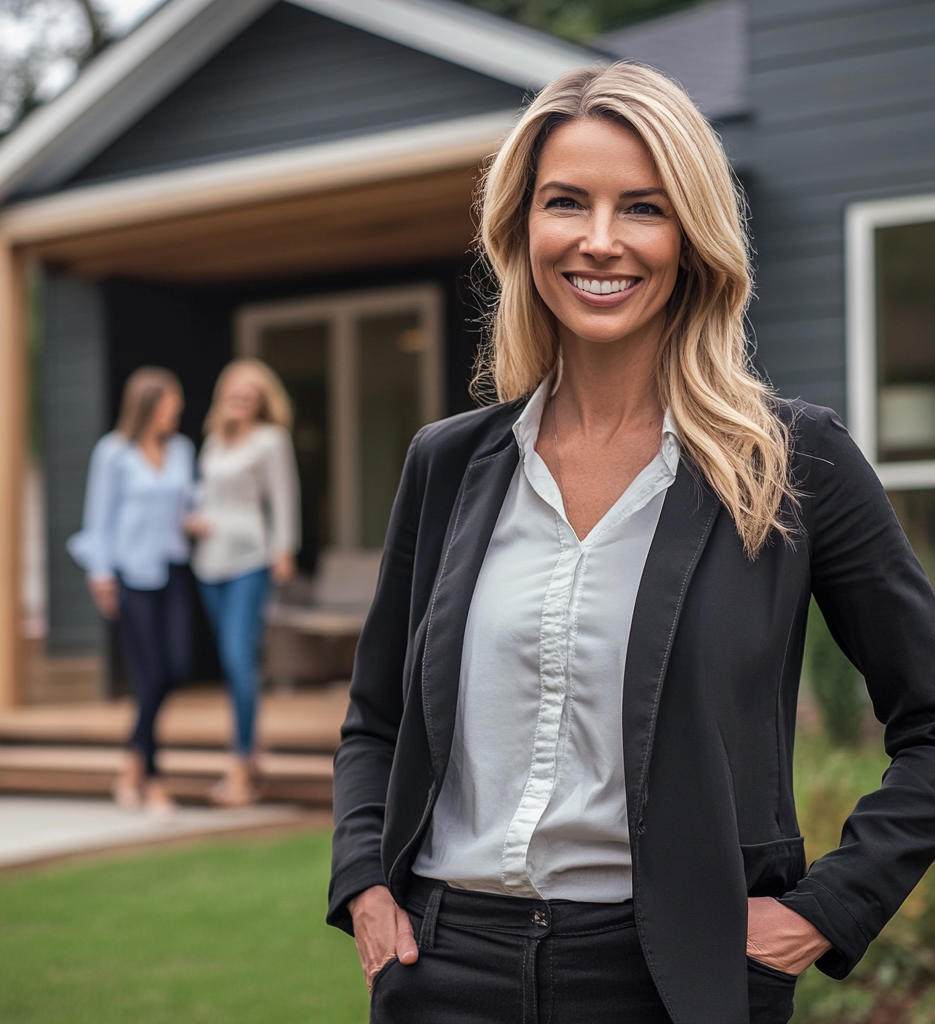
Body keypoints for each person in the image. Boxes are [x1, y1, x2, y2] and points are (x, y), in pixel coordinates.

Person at [327, 62, 935, 1024]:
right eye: (567, 202)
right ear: (522, 230)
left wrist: (822, 912)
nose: (600, 241)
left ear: (691, 237)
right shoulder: (446, 463)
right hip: (443, 969)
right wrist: (365, 882)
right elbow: (377, 721)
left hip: (672, 981)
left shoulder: (790, 461)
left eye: (643, 208)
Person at [69, 366, 194, 815]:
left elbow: (187, 504)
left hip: (174, 568)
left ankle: (131, 763)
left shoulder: (182, 450)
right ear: (150, 403)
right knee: (150, 676)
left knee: (177, 668)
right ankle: (155, 780)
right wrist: (100, 574)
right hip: (130, 575)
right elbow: (98, 518)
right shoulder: (114, 452)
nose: (177, 407)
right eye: (171, 399)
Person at [186, 359, 299, 806]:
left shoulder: (271, 440)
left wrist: (284, 547)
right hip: (207, 564)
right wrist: (193, 520)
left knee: (238, 659)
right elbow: (203, 495)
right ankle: (251, 750)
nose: (241, 398)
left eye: (250, 393)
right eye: (235, 390)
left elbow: (283, 495)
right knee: (233, 664)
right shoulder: (212, 442)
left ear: (260, 401)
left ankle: (240, 766)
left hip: (250, 559)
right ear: (223, 395)